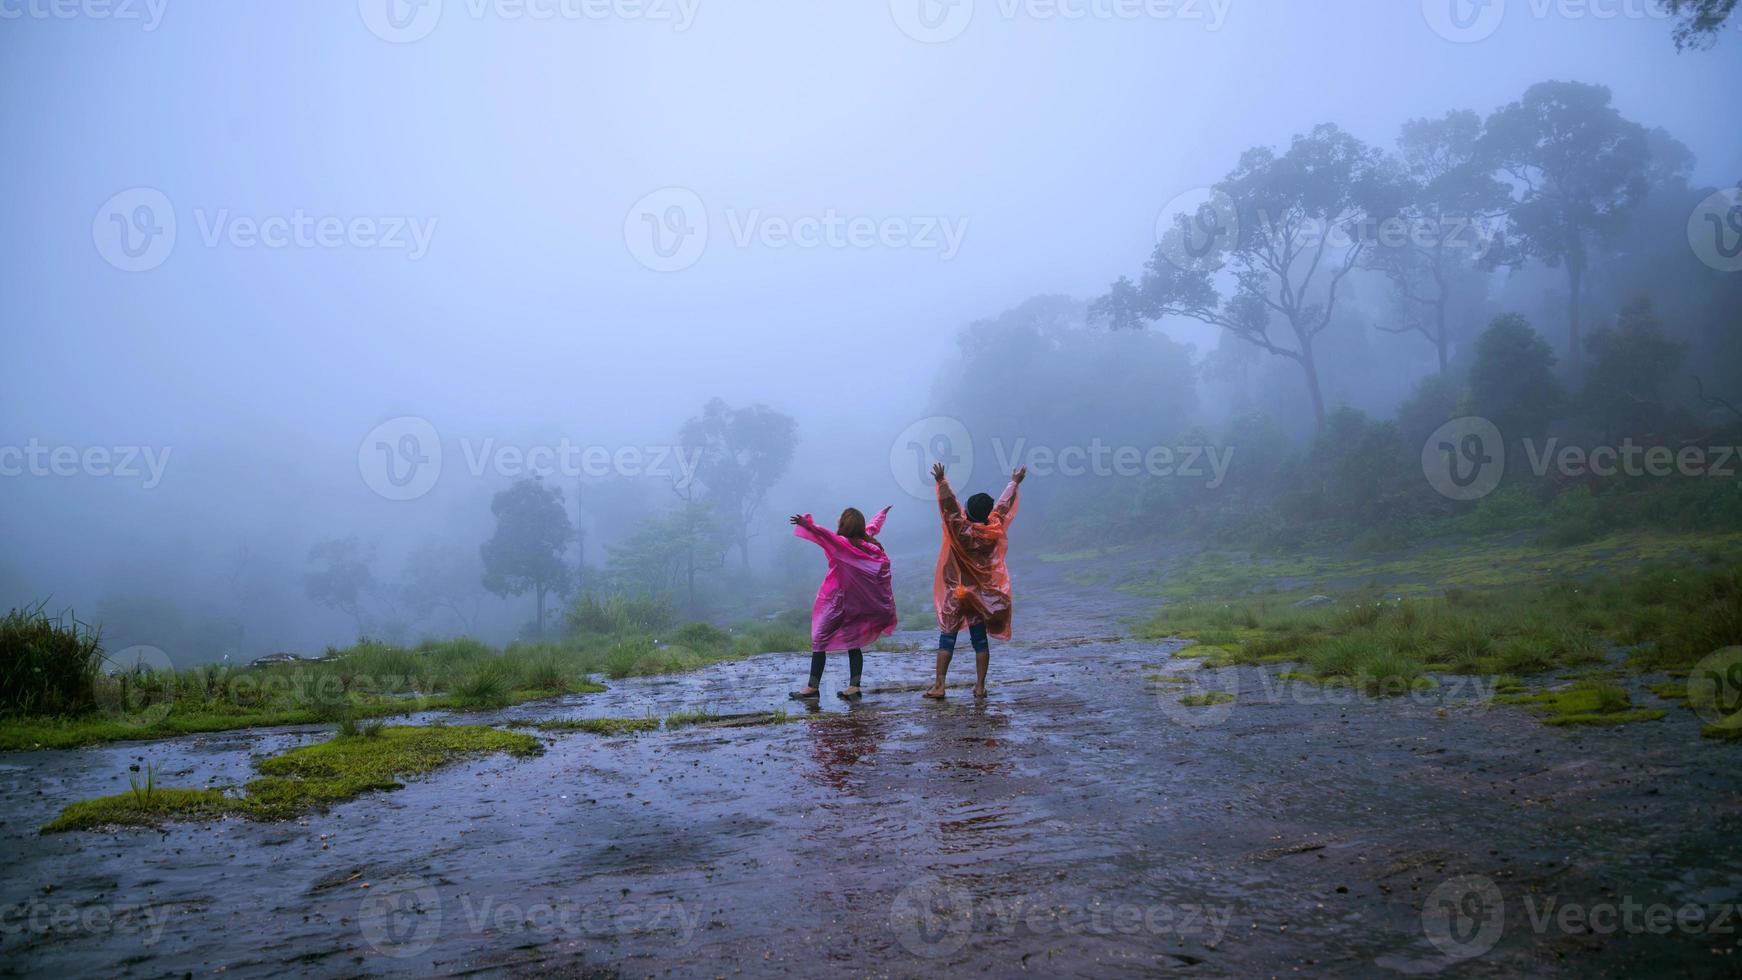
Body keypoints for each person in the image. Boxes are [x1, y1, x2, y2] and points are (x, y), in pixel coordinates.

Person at [924, 463, 1024, 699]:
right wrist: (1014, 482)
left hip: (956, 592)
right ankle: (980, 686)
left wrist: (941, 481)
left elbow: (948, 506)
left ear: (966, 510)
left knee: (947, 637)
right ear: (986, 514)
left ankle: (939, 686)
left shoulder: (960, 529)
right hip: (979, 595)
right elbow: (1001, 507)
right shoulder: (993, 530)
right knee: (979, 640)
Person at [788, 505, 897, 700]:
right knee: (853, 643)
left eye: (841, 518)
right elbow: (873, 527)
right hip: (857, 603)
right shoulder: (866, 543)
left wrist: (807, 525)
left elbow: (826, 535)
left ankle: (812, 688)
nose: (837, 520)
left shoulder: (842, 544)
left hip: (838, 602)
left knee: (819, 639)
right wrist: (882, 514)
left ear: (845, 524)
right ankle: (854, 687)